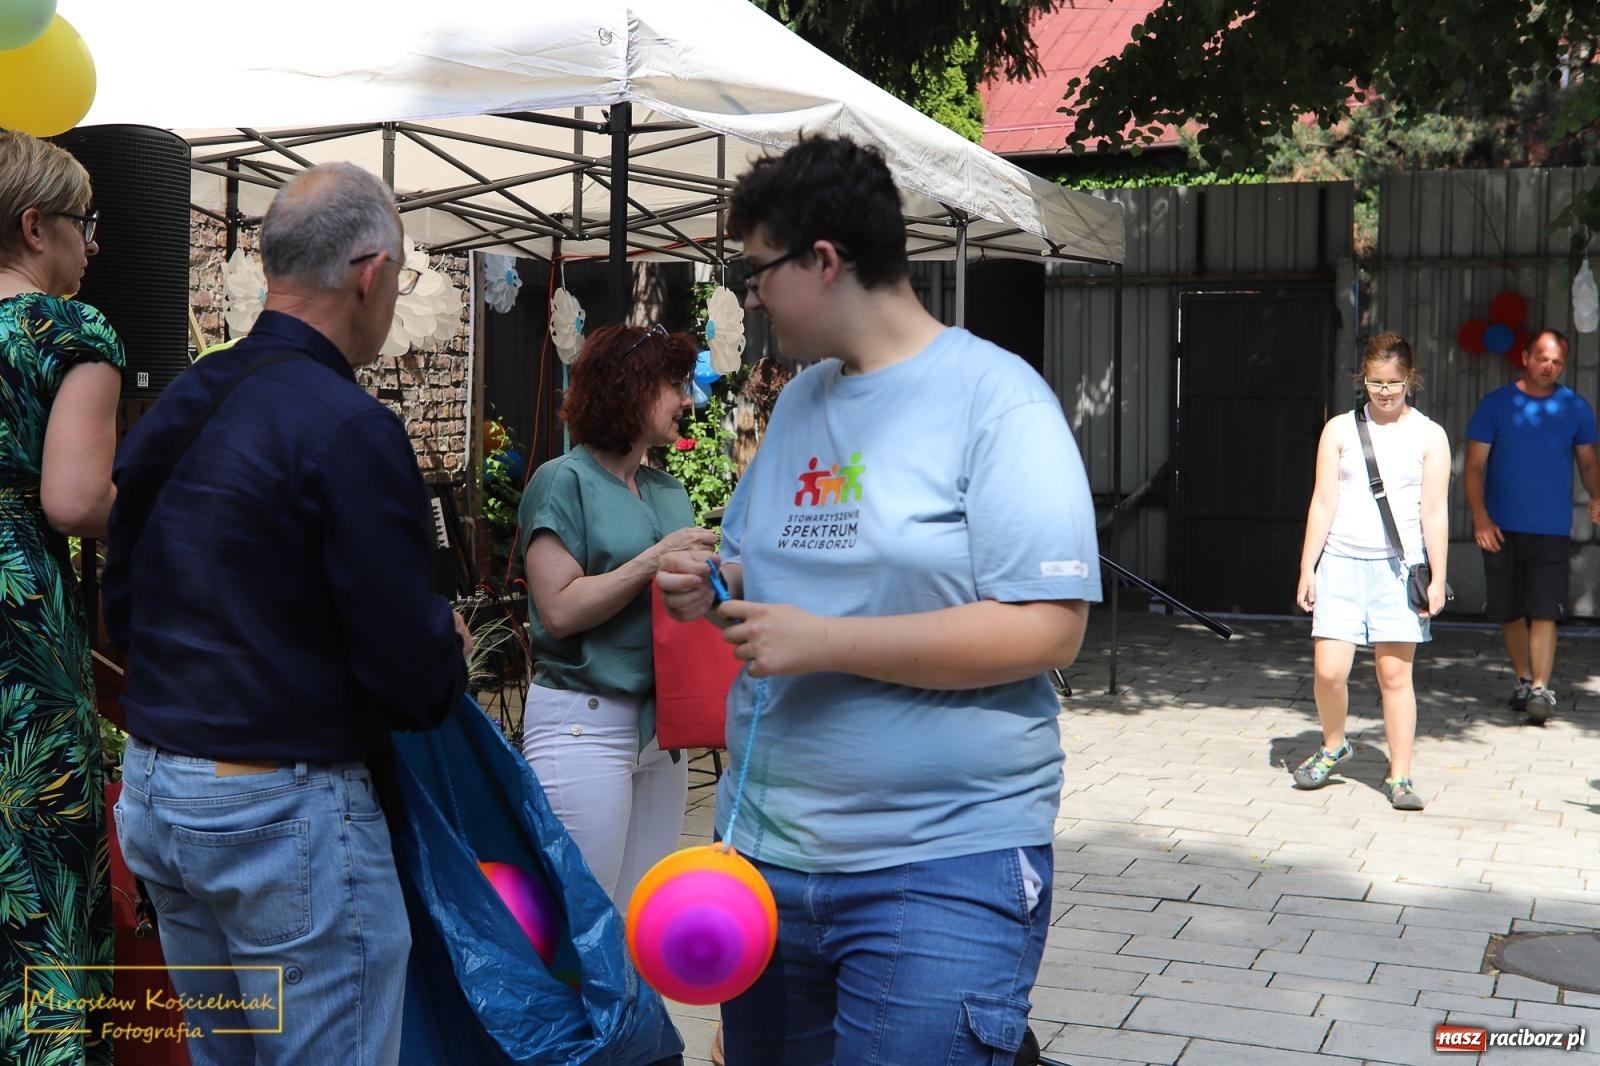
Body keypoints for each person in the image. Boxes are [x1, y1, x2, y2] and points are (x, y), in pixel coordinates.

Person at [656, 136, 1101, 1066]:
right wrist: (716, 585)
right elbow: (767, 566)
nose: (751, 297)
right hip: (767, 864)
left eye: (757, 271)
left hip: (941, 864)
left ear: (825, 261)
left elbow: (1050, 629)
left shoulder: (998, 401)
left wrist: (825, 642)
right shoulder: (799, 405)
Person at [103, 163, 471, 1066]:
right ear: (372, 273)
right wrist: (444, 647)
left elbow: (122, 591)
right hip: (279, 809)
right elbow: (406, 666)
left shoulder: (183, 398)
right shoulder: (350, 425)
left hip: (159, 790)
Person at [518, 323, 716, 908]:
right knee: (584, 921)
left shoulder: (666, 489)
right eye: (675, 385)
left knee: (644, 921)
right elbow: (558, 611)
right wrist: (654, 560)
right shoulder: (562, 480)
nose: (689, 400)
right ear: (630, 388)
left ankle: (635, 1007)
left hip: (664, 732)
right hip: (583, 725)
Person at [0, 129, 123, 1066]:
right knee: (38, 877)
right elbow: (77, 501)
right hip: (18, 641)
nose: (91, 246)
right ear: (35, 227)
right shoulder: (68, 332)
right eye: (85, 225)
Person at [1293, 333, 1450, 811]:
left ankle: (1400, 776)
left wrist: (1439, 576)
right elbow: (1323, 500)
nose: (1384, 391)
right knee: (1328, 671)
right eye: (1375, 382)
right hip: (1340, 561)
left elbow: (1435, 511)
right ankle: (1335, 743)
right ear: (1362, 378)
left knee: (1393, 676)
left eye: (1394, 383)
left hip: (1399, 569)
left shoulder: (1430, 435)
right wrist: (1308, 566)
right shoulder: (1339, 430)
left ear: (1411, 380)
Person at [1463, 328, 1600, 724]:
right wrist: (1481, 517)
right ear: (1525, 356)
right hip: (1500, 528)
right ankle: (1523, 680)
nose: (1549, 366)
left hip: (1552, 528)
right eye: (1543, 358)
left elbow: (1589, 462)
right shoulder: (1496, 405)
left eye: (1557, 361)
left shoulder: (1575, 407)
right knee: (1508, 610)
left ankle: (1540, 688)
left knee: (1545, 610)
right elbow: (1472, 467)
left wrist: (1595, 494)